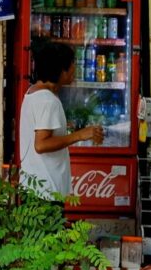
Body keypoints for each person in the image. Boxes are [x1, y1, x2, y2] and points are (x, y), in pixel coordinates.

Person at [18, 43, 103, 198]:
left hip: (35, 189)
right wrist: (79, 135)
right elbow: (41, 144)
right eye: (72, 64)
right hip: (45, 192)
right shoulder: (47, 100)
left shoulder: (34, 92)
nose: (74, 69)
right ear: (60, 69)